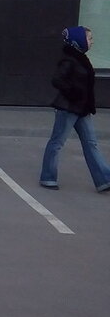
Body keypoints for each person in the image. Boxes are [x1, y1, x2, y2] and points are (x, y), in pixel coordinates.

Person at [39, 26, 110, 192]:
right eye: (89, 38)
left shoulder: (82, 58)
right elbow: (57, 80)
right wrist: (74, 93)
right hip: (68, 108)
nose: (92, 42)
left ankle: (104, 180)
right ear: (78, 41)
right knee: (57, 142)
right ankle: (48, 177)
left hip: (82, 109)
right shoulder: (69, 60)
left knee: (91, 144)